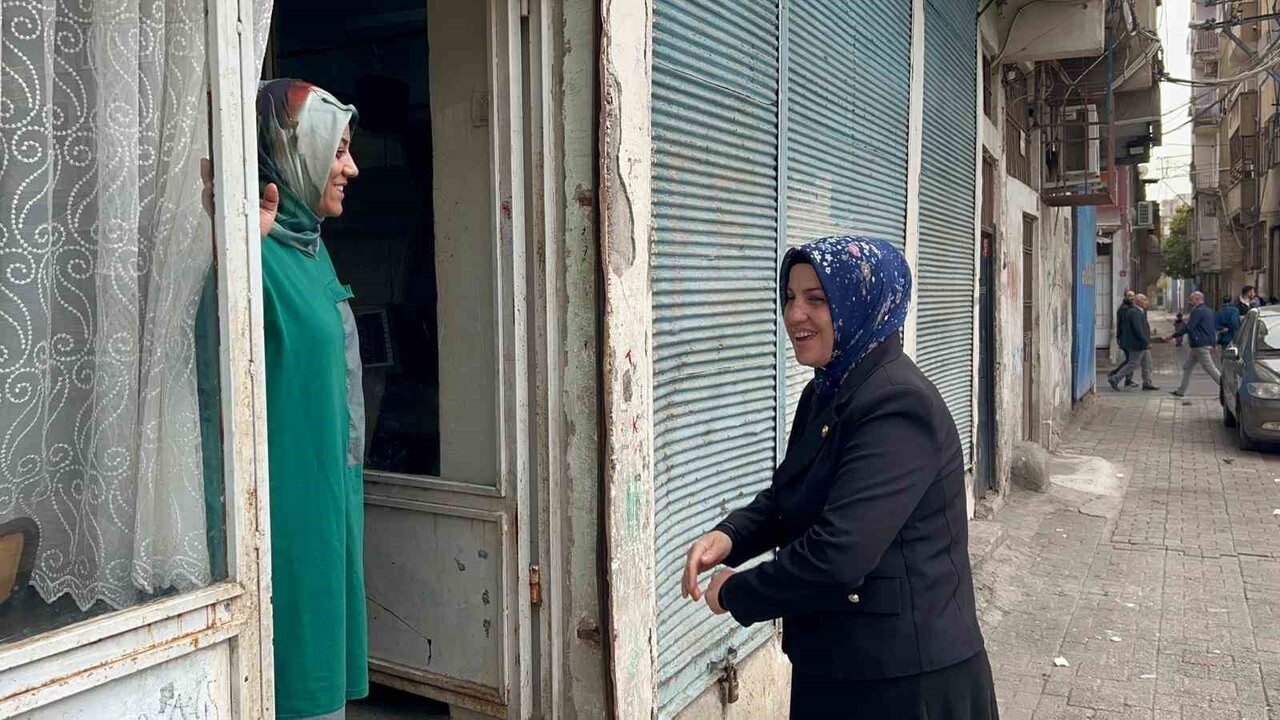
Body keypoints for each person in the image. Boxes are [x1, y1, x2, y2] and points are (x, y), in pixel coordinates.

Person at [681, 236, 998, 720]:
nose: (794, 315)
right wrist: (730, 536)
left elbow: (838, 555)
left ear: (862, 304)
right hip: (841, 667)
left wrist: (735, 592)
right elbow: (790, 494)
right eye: (789, 297)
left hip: (905, 684)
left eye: (817, 299)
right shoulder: (827, 391)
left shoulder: (897, 403)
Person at [257, 79, 368, 719]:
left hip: (330, 508)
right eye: (338, 149)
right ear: (294, 155)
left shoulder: (308, 250)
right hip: (285, 524)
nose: (351, 167)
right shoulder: (254, 259)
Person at [1169, 291, 1221, 398]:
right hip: (1199, 345)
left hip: (1199, 345)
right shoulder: (1208, 310)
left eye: (1191, 299)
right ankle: (1181, 391)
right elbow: (1212, 329)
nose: (1189, 301)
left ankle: (1227, 388)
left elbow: (1189, 327)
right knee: (1187, 367)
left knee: (1211, 369)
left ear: (1197, 299)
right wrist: (1213, 343)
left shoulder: (1197, 311)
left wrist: (1173, 336)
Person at [1108, 294, 1158, 391]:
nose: (1147, 302)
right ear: (1139, 301)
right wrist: (1145, 341)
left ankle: (1147, 383)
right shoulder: (1134, 312)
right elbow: (1138, 330)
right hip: (1137, 344)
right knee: (1133, 364)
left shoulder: (1140, 311)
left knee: (1147, 363)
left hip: (1142, 344)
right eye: (1145, 300)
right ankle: (1115, 379)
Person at [1111, 290, 1139, 388]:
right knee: (1131, 361)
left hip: (1127, 339)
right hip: (1126, 339)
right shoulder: (1124, 309)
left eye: (1133, 296)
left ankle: (1127, 380)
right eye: (1129, 296)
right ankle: (1114, 375)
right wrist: (1120, 338)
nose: (1131, 297)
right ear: (1125, 297)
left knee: (1129, 360)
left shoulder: (1129, 308)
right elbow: (1123, 326)